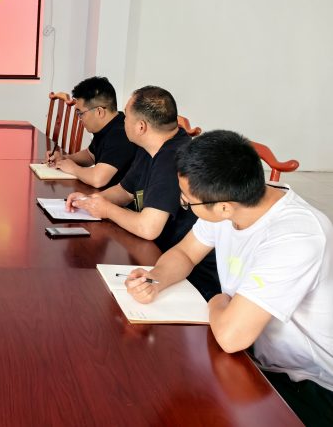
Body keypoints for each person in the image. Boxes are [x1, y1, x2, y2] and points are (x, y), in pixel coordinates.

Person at [124, 130, 333, 426]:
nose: (184, 203)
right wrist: (154, 279)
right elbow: (185, 253)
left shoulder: (296, 236)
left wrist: (217, 299)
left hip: (311, 383)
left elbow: (232, 337)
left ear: (224, 207)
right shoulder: (234, 203)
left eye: (187, 201)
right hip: (258, 356)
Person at [66, 85, 220, 298]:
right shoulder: (150, 147)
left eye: (126, 116)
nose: (122, 121)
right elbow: (124, 191)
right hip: (157, 257)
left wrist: (107, 209)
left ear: (140, 127)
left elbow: (149, 228)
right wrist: (91, 200)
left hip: (190, 276)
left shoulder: (173, 158)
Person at [47, 76, 136, 188]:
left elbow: (97, 179)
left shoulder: (120, 134)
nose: (79, 119)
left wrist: (74, 169)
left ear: (99, 112)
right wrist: (64, 159)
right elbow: (90, 156)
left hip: (121, 198)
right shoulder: (109, 125)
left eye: (80, 113)